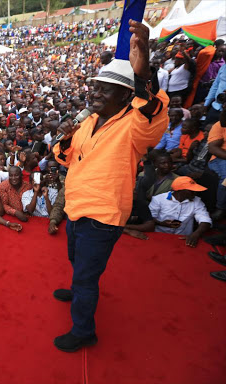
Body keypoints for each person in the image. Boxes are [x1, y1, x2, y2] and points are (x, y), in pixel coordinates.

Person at [52, 21, 169, 352]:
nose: (95, 94)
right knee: (78, 262)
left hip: (102, 216)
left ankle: (84, 330)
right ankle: (77, 290)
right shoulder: (90, 119)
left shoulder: (136, 124)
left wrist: (143, 71)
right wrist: (63, 138)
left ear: (126, 94)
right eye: (95, 88)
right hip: (77, 208)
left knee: (87, 277)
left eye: (105, 89)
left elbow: (151, 109)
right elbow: (66, 157)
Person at [149, 177, 211, 247]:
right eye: (191, 190)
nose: (195, 193)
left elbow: (205, 219)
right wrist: (161, 223)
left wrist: (196, 234)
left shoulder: (197, 201)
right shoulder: (158, 199)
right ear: (180, 190)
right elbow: (149, 219)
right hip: (159, 237)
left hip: (183, 240)